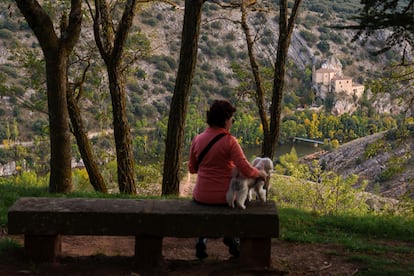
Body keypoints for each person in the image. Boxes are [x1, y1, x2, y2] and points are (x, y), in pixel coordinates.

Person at [188, 99, 266, 260]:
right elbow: (245, 169)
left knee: (210, 206)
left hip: (201, 196)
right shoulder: (230, 141)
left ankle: (202, 238)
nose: (232, 121)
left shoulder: (197, 139)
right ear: (225, 119)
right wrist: (260, 173)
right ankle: (233, 240)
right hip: (226, 197)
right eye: (231, 118)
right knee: (244, 201)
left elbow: (192, 169)